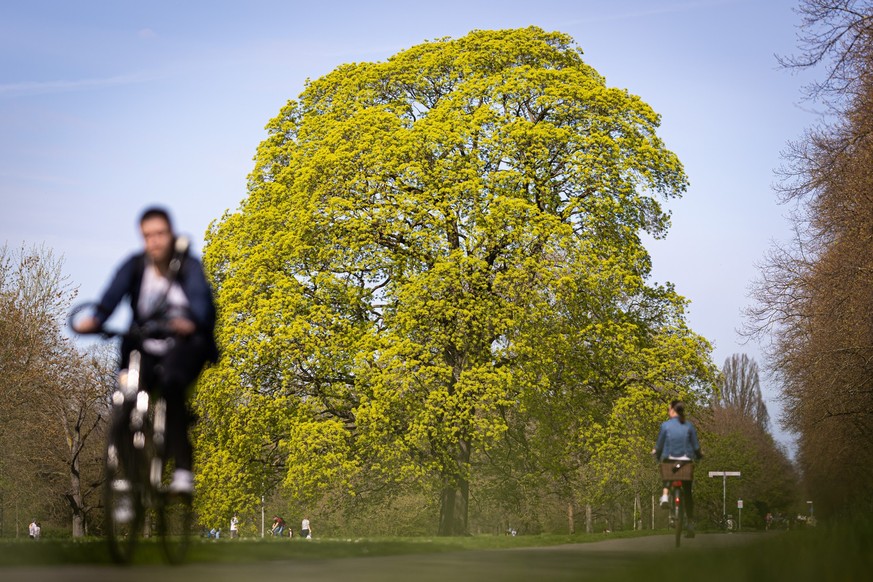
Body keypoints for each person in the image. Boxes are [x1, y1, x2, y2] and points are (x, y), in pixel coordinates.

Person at [73, 207, 218, 494]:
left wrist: (190, 322)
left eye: (160, 234)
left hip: (184, 345)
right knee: (127, 396)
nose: (155, 241)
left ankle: (182, 473)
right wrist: (95, 321)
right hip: (144, 345)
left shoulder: (187, 266)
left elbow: (202, 301)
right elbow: (111, 297)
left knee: (172, 389)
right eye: (148, 235)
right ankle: (126, 480)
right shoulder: (135, 266)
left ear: (171, 234)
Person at [653, 400, 703, 537]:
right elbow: (696, 446)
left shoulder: (665, 426)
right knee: (688, 493)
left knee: (667, 473)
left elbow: (659, 445)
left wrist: (656, 454)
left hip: (669, 460)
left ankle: (664, 496)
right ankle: (690, 523)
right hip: (686, 462)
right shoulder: (689, 426)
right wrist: (699, 455)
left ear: (673, 411)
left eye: (669, 409)